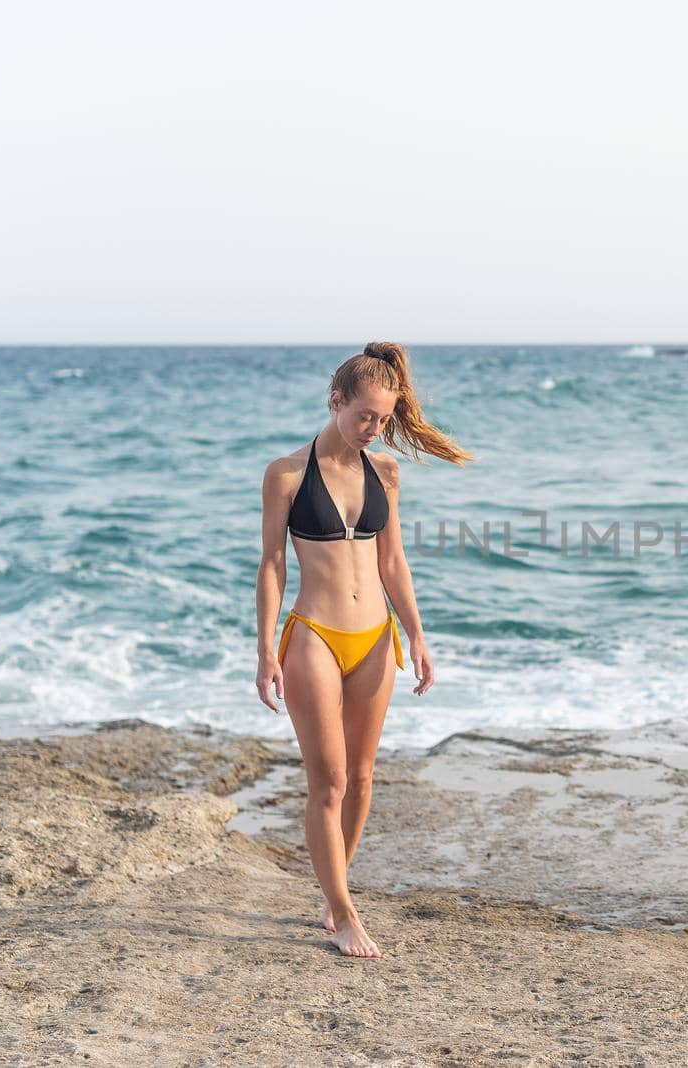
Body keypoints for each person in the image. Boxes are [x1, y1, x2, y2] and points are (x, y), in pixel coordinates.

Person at [253, 341, 474, 958]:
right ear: (336, 401)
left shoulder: (385, 472)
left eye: (384, 419)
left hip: (376, 637)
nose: (375, 430)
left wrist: (417, 634)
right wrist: (266, 647)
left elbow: (392, 561)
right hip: (315, 636)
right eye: (365, 417)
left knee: (363, 776)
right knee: (328, 782)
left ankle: (334, 888)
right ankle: (347, 914)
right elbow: (271, 564)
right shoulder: (287, 475)